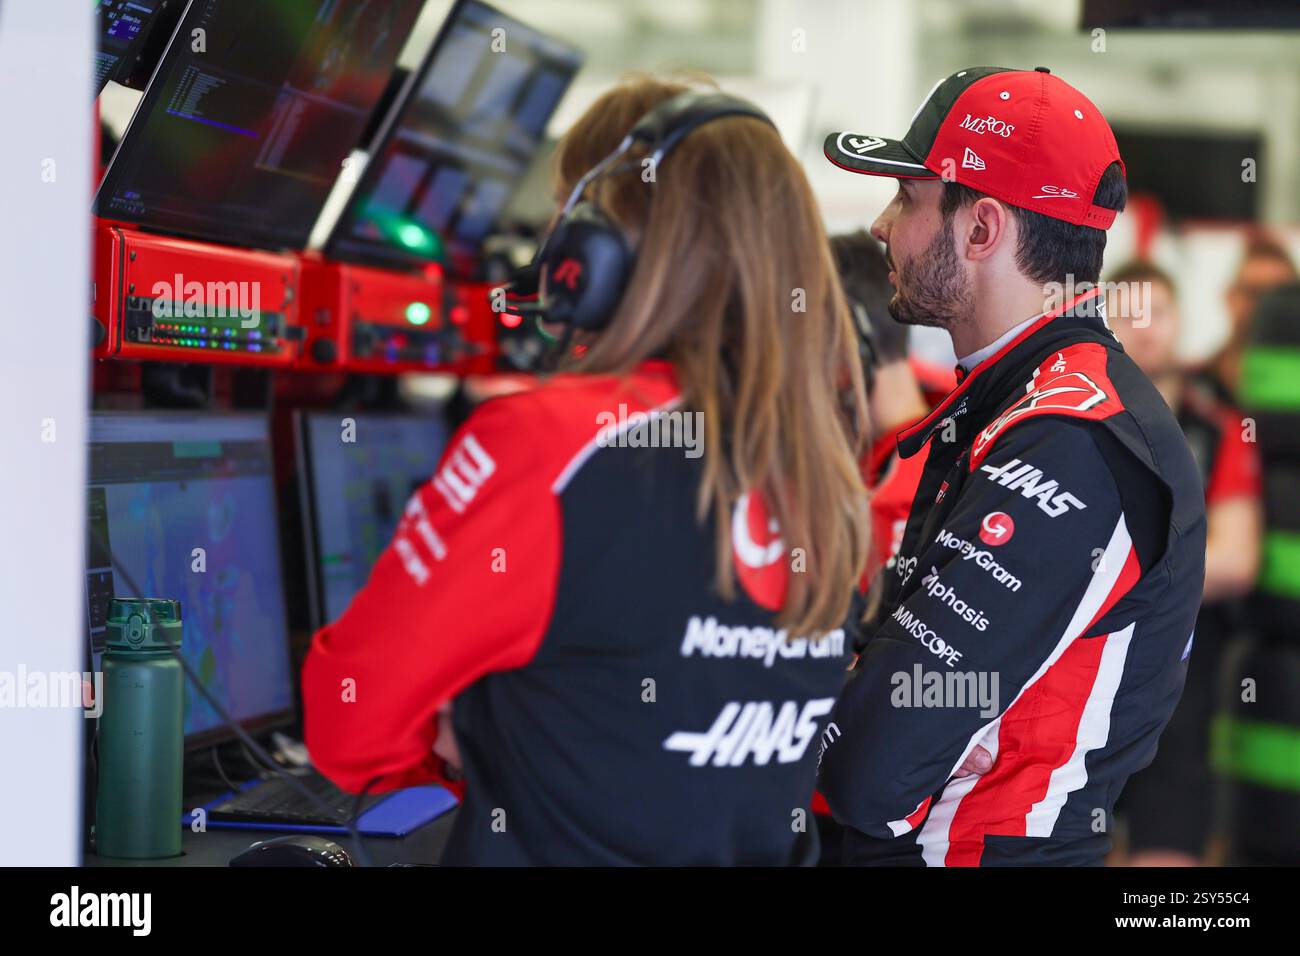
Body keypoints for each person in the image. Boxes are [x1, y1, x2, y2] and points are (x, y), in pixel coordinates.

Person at [301, 76, 871, 865]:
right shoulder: (828, 467)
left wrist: (469, 749)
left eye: (568, 219)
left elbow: (349, 721)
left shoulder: (550, 442)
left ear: (599, 254)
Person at [817, 65, 1207, 866]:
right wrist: (866, 689)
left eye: (908, 199)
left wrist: (856, 708)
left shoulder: (1072, 433)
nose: (884, 229)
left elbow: (869, 765)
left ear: (982, 229)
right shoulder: (1026, 396)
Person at [1105, 259, 1263, 866]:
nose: (1147, 328)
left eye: (1160, 311)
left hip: (1181, 687)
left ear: (1180, 323)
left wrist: (1111, 576)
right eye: (1132, 312)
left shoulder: (1220, 431)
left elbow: (1235, 562)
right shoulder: (1070, 428)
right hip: (1079, 681)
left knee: (1167, 872)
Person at [1195, 235, 1298, 404]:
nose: (1265, 307)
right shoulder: (1195, 391)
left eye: (1278, 297)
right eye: (1254, 293)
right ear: (1230, 297)